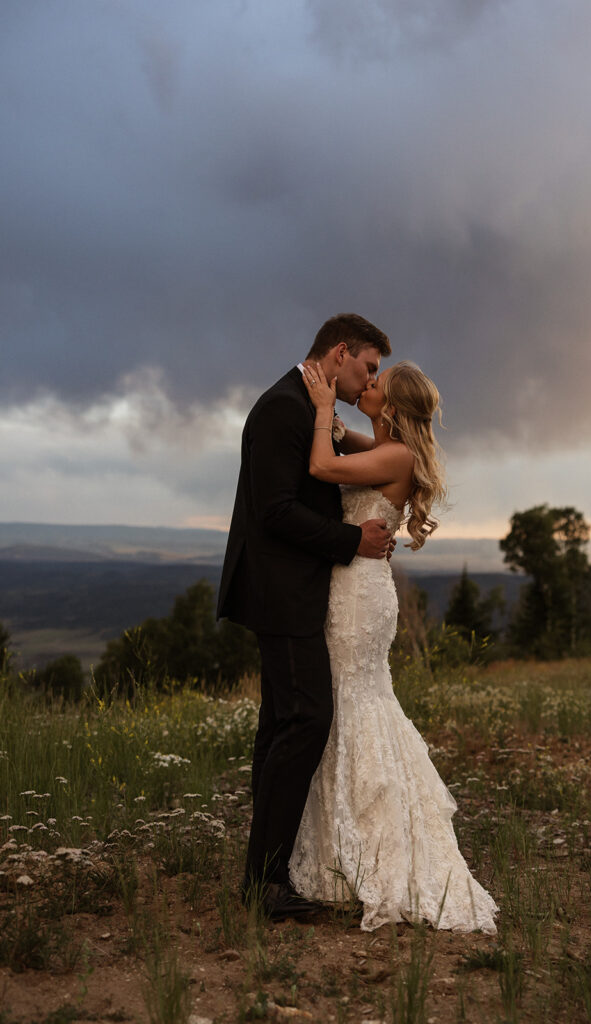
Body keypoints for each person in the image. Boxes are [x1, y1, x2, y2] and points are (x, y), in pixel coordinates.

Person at [289, 359, 499, 933]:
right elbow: (340, 443)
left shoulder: (396, 456)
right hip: (355, 585)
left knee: (351, 702)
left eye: (377, 383)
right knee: (348, 701)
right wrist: (324, 410)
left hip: (358, 594)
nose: (369, 386)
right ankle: (340, 852)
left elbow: (321, 462)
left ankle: (367, 854)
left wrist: (326, 409)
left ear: (395, 405)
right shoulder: (383, 445)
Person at [216, 313, 393, 921]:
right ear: (340, 353)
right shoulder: (284, 408)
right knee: (305, 720)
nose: (370, 378)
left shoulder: (307, 407)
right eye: (368, 367)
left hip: (294, 590)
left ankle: (264, 875)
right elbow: (276, 513)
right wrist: (352, 542)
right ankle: (266, 883)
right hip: (280, 593)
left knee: (282, 724)